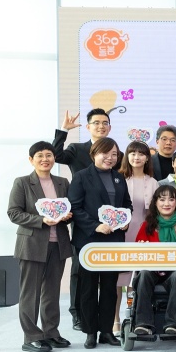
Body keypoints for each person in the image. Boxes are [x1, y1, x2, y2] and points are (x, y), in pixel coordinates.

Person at [8, 141, 73, 352]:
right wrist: (41, 220)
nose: (45, 159)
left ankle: (51, 333)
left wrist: (68, 215)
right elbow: (14, 213)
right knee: (30, 293)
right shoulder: (23, 182)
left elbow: (70, 208)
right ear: (31, 160)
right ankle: (32, 337)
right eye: (40, 156)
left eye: (49, 155)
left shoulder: (62, 182)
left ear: (54, 159)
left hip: (58, 243)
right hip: (32, 244)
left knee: (52, 292)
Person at [51, 108, 113, 331]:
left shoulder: (114, 152)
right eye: (96, 123)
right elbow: (56, 156)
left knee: (107, 272)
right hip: (82, 217)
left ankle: (104, 320)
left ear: (110, 127)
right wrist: (63, 130)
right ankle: (77, 313)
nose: (101, 126)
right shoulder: (77, 149)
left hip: (109, 222)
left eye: (104, 122)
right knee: (80, 267)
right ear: (88, 127)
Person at [67, 137, 132, 349]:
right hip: (89, 241)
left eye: (114, 154)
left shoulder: (119, 177)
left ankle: (106, 331)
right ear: (94, 153)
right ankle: (90, 332)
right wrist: (95, 225)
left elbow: (127, 204)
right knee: (88, 287)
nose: (110, 158)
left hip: (113, 240)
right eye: (106, 153)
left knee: (109, 288)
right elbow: (75, 207)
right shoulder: (81, 176)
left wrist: (125, 220)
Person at [133, 185, 176, 335]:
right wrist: (142, 247)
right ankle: (143, 323)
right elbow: (138, 254)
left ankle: (173, 323)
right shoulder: (147, 226)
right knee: (143, 274)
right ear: (155, 202)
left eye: (171, 199)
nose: (166, 203)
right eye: (162, 199)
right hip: (154, 271)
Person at [117, 141, 158, 335]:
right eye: (132, 153)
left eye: (141, 154)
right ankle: (115, 320)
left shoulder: (153, 182)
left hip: (144, 234)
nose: (136, 157)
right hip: (121, 233)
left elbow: (156, 212)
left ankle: (134, 319)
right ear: (127, 156)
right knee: (119, 279)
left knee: (138, 279)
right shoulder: (118, 179)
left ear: (147, 158)